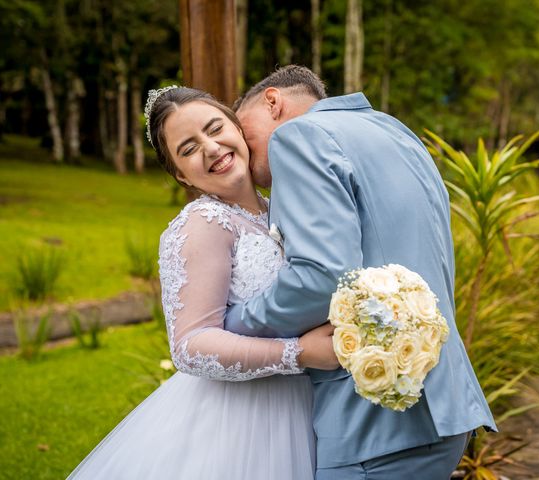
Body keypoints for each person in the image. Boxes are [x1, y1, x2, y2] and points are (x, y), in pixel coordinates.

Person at [223, 65, 497, 479]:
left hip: (372, 425)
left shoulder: (298, 138)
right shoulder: (395, 132)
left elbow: (321, 278)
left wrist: (232, 323)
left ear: (273, 102)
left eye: (244, 134)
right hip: (444, 406)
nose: (242, 150)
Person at [66, 86, 339, 480]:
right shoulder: (202, 225)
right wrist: (298, 353)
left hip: (304, 404)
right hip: (241, 424)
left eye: (215, 129)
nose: (211, 148)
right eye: (189, 148)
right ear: (179, 173)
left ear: (237, 129)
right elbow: (190, 346)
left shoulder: (279, 207)